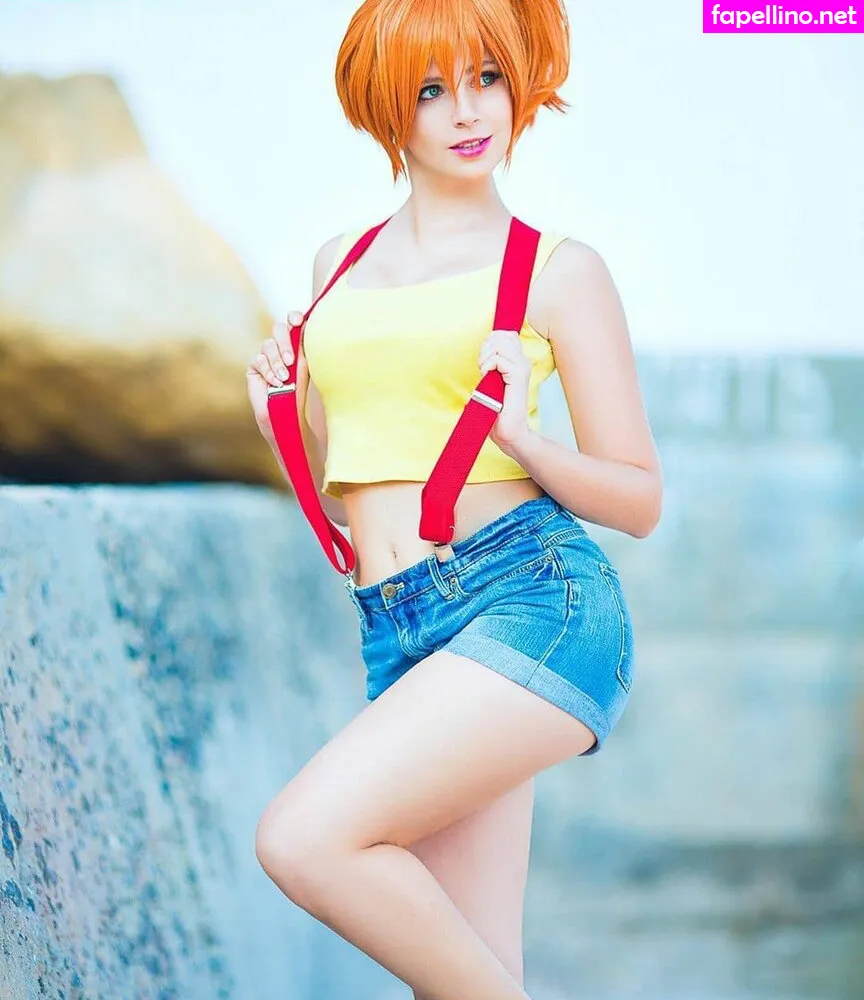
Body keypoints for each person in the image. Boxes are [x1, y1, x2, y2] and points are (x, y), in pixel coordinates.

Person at [245, 1, 662, 997]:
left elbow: (640, 499)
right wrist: (281, 423)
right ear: (387, 105)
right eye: (432, 89)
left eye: (487, 78)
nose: (468, 111)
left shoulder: (557, 271)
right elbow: (360, 496)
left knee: (304, 838)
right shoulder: (338, 266)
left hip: (532, 599)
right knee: (463, 976)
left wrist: (523, 437)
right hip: (397, 621)